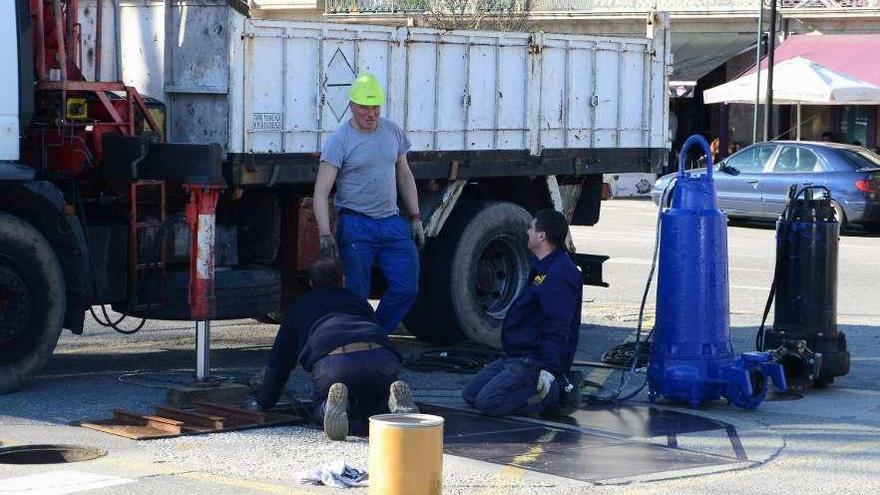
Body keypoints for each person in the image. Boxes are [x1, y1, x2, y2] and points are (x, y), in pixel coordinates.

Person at [249, 257, 418, 441]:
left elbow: (280, 361)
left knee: (322, 411)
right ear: (343, 280)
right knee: (374, 407)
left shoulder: (299, 307)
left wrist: (265, 401)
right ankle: (391, 408)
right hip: (380, 358)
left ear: (312, 283)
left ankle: (330, 408)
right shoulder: (359, 302)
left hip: (335, 363)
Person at [313, 73, 423, 334]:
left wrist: (416, 218)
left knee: (407, 286)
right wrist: (325, 233)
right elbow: (321, 190)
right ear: (351, 106)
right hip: (356, 224)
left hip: (391, 222)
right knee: (356, 293)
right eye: (364, 107)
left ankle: (374, 333)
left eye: (375, 107)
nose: (371, 113)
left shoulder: (392, 131)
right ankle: (357, 342)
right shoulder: (340, 140)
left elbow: (404, 174)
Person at [463, 209, 583, 417]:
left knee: (489, 403)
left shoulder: (560, 273)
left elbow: (558, 325)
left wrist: (549, 369)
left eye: (531, 228)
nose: (527, 232)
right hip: (517, 355)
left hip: (533, 360)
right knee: (471, 394)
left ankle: (557, 393)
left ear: (542, 236)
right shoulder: (544, 268)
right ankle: (535, 385)